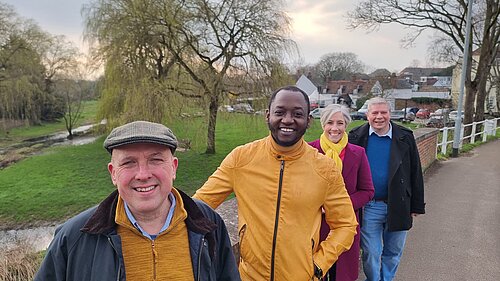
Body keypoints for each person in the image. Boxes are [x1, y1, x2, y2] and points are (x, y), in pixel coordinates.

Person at [34, 121, 240, 281]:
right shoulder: (73, 238)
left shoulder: (208, 224)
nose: (143, 174)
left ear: (174, 168)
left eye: (155, 160)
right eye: (129, 163)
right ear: (113, 174)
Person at [193, 86, 358, 280]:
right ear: (267, 115)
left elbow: (346, 225)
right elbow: (197, 207)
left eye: (297, 114)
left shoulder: (325, 169)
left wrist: (319, 264)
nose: (287, 120)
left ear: (308, 120)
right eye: (280, 112)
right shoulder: (241, 158)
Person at [348, 97, 426, 281]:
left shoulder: (404, 136)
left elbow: (415, 171)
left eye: (383, 112)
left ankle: (387, 278)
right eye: (374, 113)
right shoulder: (355, 136)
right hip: (369, 207)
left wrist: (416, 206)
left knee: (393, 251)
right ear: (367, 115)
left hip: (399, 204)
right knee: (370, 251)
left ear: (390, 114)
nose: (379, 117)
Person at [308, 104, 374, 281]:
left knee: (342, 275)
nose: (335, 128)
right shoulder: (309, 151)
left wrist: (339, 207)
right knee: (313, 273)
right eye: (330, 122)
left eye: (340, 123)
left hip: (345, 224)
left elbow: (367, 191)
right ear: (323, 125)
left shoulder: (358, 153)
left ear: (346, 125)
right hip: (315, 225)